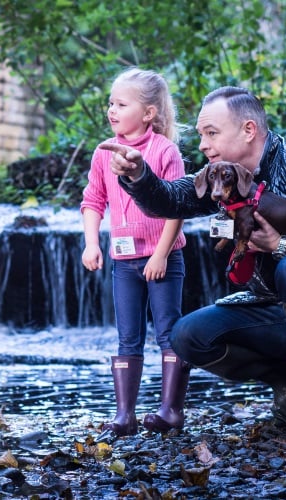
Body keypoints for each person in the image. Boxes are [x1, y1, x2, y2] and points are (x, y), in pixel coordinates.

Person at [97, 86, 286, 437]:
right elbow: (169, 200)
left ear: (248, 130)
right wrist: (138, 176)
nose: (202, 144)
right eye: (201, 135)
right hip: (272, 310)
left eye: (211, 133)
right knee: (187, 336)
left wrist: (284, 244)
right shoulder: (220, 177)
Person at [80, 68, 190, 437]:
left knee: (168, 332)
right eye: (110, 102)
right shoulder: (103, 152)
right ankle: (124, 416)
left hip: (163, 258)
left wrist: (160, 255)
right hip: (123, 261)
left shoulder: (165, 151)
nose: (112, 110)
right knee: (128, 337)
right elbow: (93, 199)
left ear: (148, 113)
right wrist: (92, 242)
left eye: (121, 104)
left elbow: (177, 206)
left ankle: (170, 410)